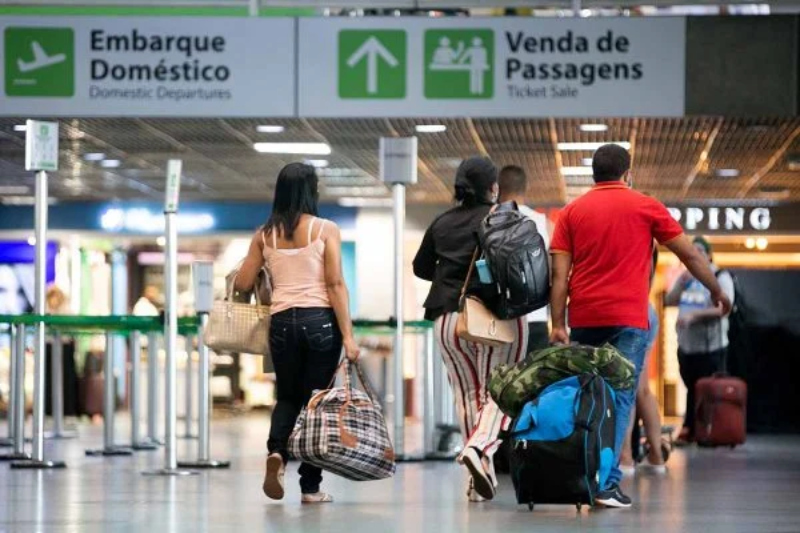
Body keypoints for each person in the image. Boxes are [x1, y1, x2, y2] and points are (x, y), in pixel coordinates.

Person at [549, 144, 731, 508]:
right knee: (620, 398)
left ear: (594, 175)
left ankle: (587, 475)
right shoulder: (646, 206)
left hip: (584, 318)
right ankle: (605, 483)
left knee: (592, 397)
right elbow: (689, 254)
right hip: (629, 320)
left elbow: (559, 275)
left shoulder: (571, 212)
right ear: (627, 174)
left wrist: (557, 324)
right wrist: (716, 290)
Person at [235, 162, 360, 504]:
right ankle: (310, 487)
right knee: (315, 403)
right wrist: (349, 336)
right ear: (310, 192)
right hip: (320, 322)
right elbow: (335, 284)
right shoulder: (325, 229)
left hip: (281, 324)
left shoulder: (264, 235)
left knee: (287, 396)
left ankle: (277, 452)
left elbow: (243, 282)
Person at [413, 157, 528, 503]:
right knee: (501, 390)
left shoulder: (442, 222)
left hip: (447, 319)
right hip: (493, 319)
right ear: (493, 188)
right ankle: (479, 448)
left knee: (466, 394)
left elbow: (421, 267)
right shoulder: (502, 218)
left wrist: (449, 274)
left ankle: (478, 480)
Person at [664, 236, 735, 446]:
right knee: (691, 388)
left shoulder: (720, 276)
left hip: (710, 346)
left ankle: (709, 432)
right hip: (687, 346)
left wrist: (695, 316)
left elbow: (724, 307)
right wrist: (681, 282)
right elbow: (669, 300)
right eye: (692, 250)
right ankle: (690, 430)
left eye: (699, 251)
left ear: (709, 255)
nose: (695, 255)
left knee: (708, 391)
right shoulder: (686, 277)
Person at [620, 247, 667, 474]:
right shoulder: (648, 248)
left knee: (625, 386)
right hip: (645, 310)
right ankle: (656, 456)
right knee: (642, 389)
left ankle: (625, 457)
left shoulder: (627, 248)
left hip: (627, 310)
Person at [498, 165, 551, 353]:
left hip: (500, 320)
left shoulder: (489, 221)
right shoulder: (543, 222)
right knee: (535, 371)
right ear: (526, 187)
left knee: (502, 371)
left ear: (497, 188)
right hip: (536, 317)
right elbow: (554, 273)